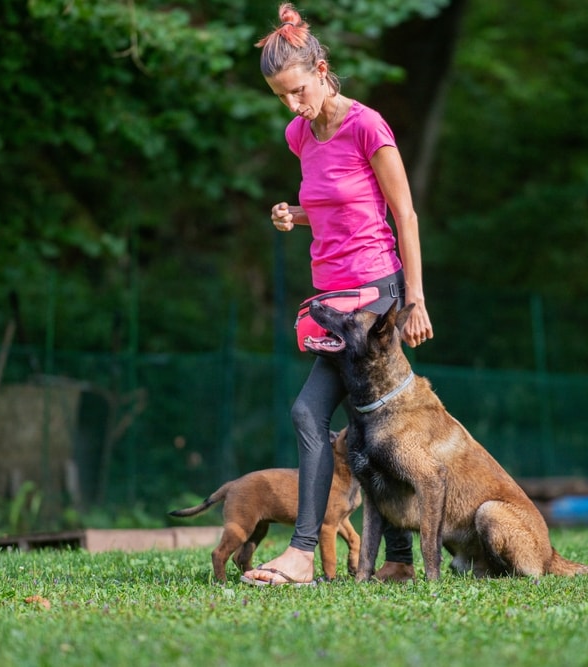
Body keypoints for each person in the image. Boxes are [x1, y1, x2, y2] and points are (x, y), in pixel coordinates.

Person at [240, 3, 434, 586]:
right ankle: (397, 560)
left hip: (375, 294)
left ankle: (304, 553)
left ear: (322, 70)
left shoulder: (366, 125)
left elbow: (403, 214)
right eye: (280, 96)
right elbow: (333, 210)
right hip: (330, 297)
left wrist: (416, 299)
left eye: (298, 90)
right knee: (364, 423)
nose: (292, 105)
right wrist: (293, 215)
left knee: (323, 413)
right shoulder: (299, 134)